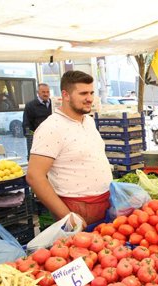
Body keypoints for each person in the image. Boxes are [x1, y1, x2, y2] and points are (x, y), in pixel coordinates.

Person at [26, 71, 112, 227]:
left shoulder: (88, 121)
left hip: (104, 203)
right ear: (65, 95)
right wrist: (67, 217)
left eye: (92, 92)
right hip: (76, 208)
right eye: (83, 93)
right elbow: (34, 176)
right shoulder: (51, 128)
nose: (90, 98)